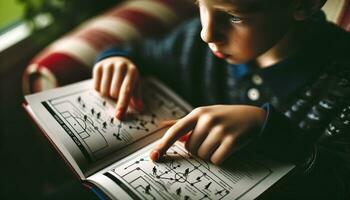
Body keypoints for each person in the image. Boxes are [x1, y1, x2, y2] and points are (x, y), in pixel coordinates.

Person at [93, 0, 350, 198]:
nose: (207, 33)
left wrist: (268, 128)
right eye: (200, 4)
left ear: (304, 3)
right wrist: (118, 59)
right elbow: (141, 53)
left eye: (234, 16)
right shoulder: (194, 42)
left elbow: (338, 181)